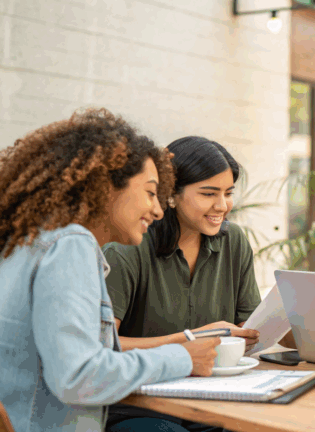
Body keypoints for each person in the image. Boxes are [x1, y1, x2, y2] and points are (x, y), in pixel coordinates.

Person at [0, 108, 220, 432]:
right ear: (105, 185)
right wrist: (185, 358)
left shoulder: (12, 241)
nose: (159, 210)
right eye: (150, 192)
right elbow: (78, 376)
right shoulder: (70, 244)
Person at [103, 136, 262, 432]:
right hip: (138, 409)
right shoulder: (126, 248)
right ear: (171, 195)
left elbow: (250, 329)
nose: (222, 205)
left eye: (228, 193)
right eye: (208, 193)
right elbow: (103, 348)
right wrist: (188, 339)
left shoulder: (234, 242)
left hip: (217, 405)